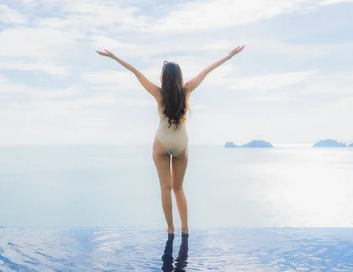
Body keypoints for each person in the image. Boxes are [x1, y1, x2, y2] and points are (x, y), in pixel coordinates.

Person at [96, 46, 245, 235]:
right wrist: (229, 56)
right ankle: (185, 228)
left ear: (164, 77)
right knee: (179, 189)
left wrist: (114, 57)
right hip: (181, 143)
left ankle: (171, 228)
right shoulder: (187, 90)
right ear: (179, 77)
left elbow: (135, 71)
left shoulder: (158, 93)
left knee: (165, 188)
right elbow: (207, 70)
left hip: (162, 143)